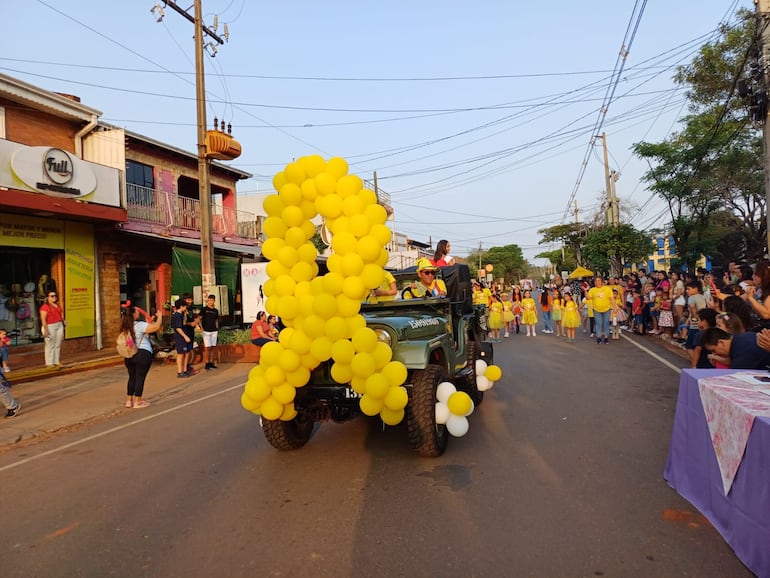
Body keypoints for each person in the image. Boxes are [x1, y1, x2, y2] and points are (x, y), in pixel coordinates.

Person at [120, 305, 163, 408]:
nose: (138, 313)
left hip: (129, 354)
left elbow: (145, 330)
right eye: (137, 312)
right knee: (140, 377)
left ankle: (129, 400)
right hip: (142, 353)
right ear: (134, 314)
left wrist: (149, 322)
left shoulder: (124, 327)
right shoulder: (139, 325)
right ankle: (138, 401)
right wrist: (160, 317)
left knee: (132, 377)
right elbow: (156, 327)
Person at [701, 326, 770, 369]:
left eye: (714, 350)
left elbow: (736, 377)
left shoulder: (742, 353)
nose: (714, 354)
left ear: (721, 342)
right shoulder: (744, 337)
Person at [586, 276, 616, 345]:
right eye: (596, 281)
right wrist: (585, 290)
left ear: (602, 281)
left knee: (606, 323)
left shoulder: (607, 289)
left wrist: (615, 307)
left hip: (607, 309)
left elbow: (611, 298)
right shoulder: (592, 290)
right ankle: (599, 337)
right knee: (598, 324)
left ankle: (606, 338)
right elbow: (588, 298)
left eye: (599, 281)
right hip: (596, 310)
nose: (597, 282)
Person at [40, 290, 65, 367]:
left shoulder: (58, 305)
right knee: (50, 344)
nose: (54, 297)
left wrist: (63, 323)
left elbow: (61, 315)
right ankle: (49, 363)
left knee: (57, 344)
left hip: (59, 325)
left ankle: (56, 361)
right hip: (50, 325)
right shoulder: (45, 307)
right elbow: (43, 319)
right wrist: (46, 330)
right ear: (48, 297)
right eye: (52, 296)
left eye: (55, 296)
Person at [172, 298, 192, 379]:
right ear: (181, 306)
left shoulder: (180, 315)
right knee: (180, 354)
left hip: (182, 336)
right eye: (184, 306)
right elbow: (178, 328)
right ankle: (180, 371)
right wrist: (185, 336)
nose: (186, 308)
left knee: (185, 353)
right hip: (180, 337)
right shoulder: (177, 316)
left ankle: (184, 370)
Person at [201, 294, 219, 370]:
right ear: (207, 301)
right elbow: (199, 319)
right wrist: (201, 328)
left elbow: (216, 320)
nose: (211, 302)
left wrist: (217, 328)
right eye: (209, 300)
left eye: (212, 300)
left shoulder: (215, 311)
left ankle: (211, 363)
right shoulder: (204, 309)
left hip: (214, 331)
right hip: (206, 331)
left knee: (212, 347)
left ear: (214, 301)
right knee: (207, 348)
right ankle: (207, 363)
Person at [183, 293, 198, 375]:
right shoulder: (183, 310)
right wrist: (190, 324)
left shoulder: (191, 309)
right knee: (186, 351)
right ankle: (185, 368)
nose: (190, 301)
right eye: (188, 300)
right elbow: (183, 322)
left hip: (191, 331)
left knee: (190, 349)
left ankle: (188, 366)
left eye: (191, 300)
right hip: (186, 332)